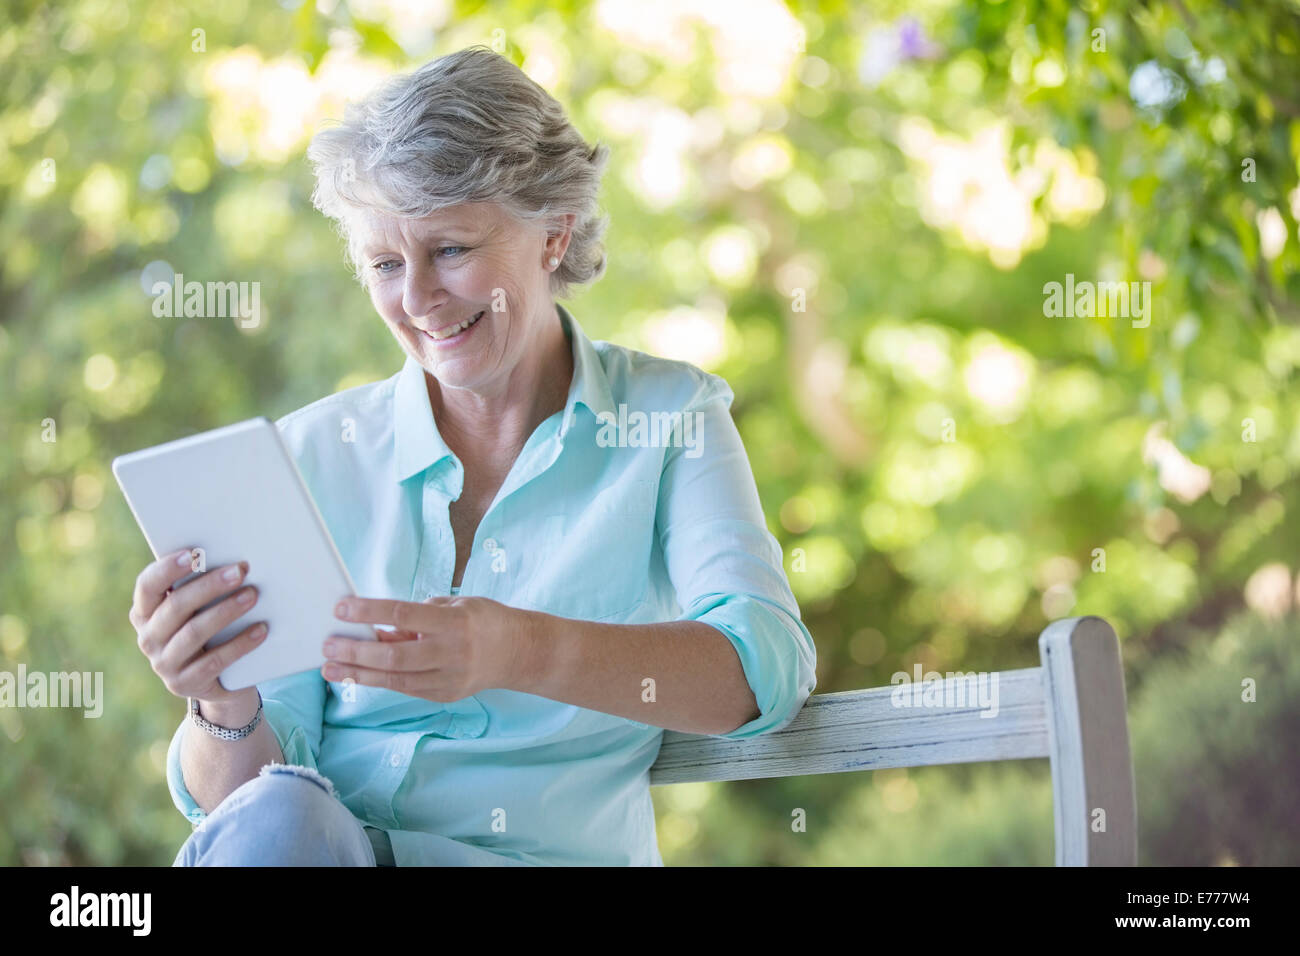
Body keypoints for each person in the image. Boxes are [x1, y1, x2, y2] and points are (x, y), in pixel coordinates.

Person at [127, 45, 816, 866]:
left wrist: (515, 648)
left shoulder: (669, 420)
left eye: (450, 249)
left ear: (554, 233)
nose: (417, 300)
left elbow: (759, 668)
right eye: (386, 263)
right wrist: (219, 699)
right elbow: (253, 807)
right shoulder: (312, 454)